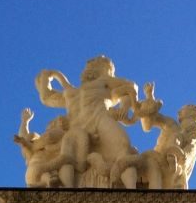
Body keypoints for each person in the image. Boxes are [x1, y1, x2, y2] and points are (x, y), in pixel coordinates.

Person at [35, 56, 140, 188]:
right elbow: (47, 97)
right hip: (76, 128)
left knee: (123, 147)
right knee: (67, 159)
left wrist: (124, 106)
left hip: (100, 119)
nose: (89, 69)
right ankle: (66, 195)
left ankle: (132, 191)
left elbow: (130, 87)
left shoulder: (104, 81)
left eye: (95, 65)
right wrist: (45, 77)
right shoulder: (71, 91)